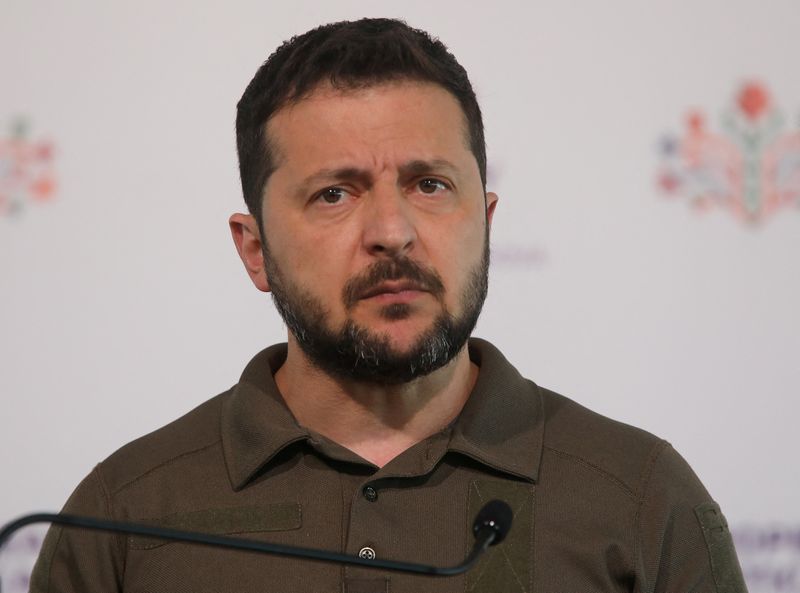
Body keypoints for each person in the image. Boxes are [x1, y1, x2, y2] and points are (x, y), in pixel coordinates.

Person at [30, 18, 747, 593]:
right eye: (333, 193)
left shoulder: (640, 498)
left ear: (487, 221)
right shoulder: (120, 515)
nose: (392, 232)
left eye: (429, 185)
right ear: (255, 250)